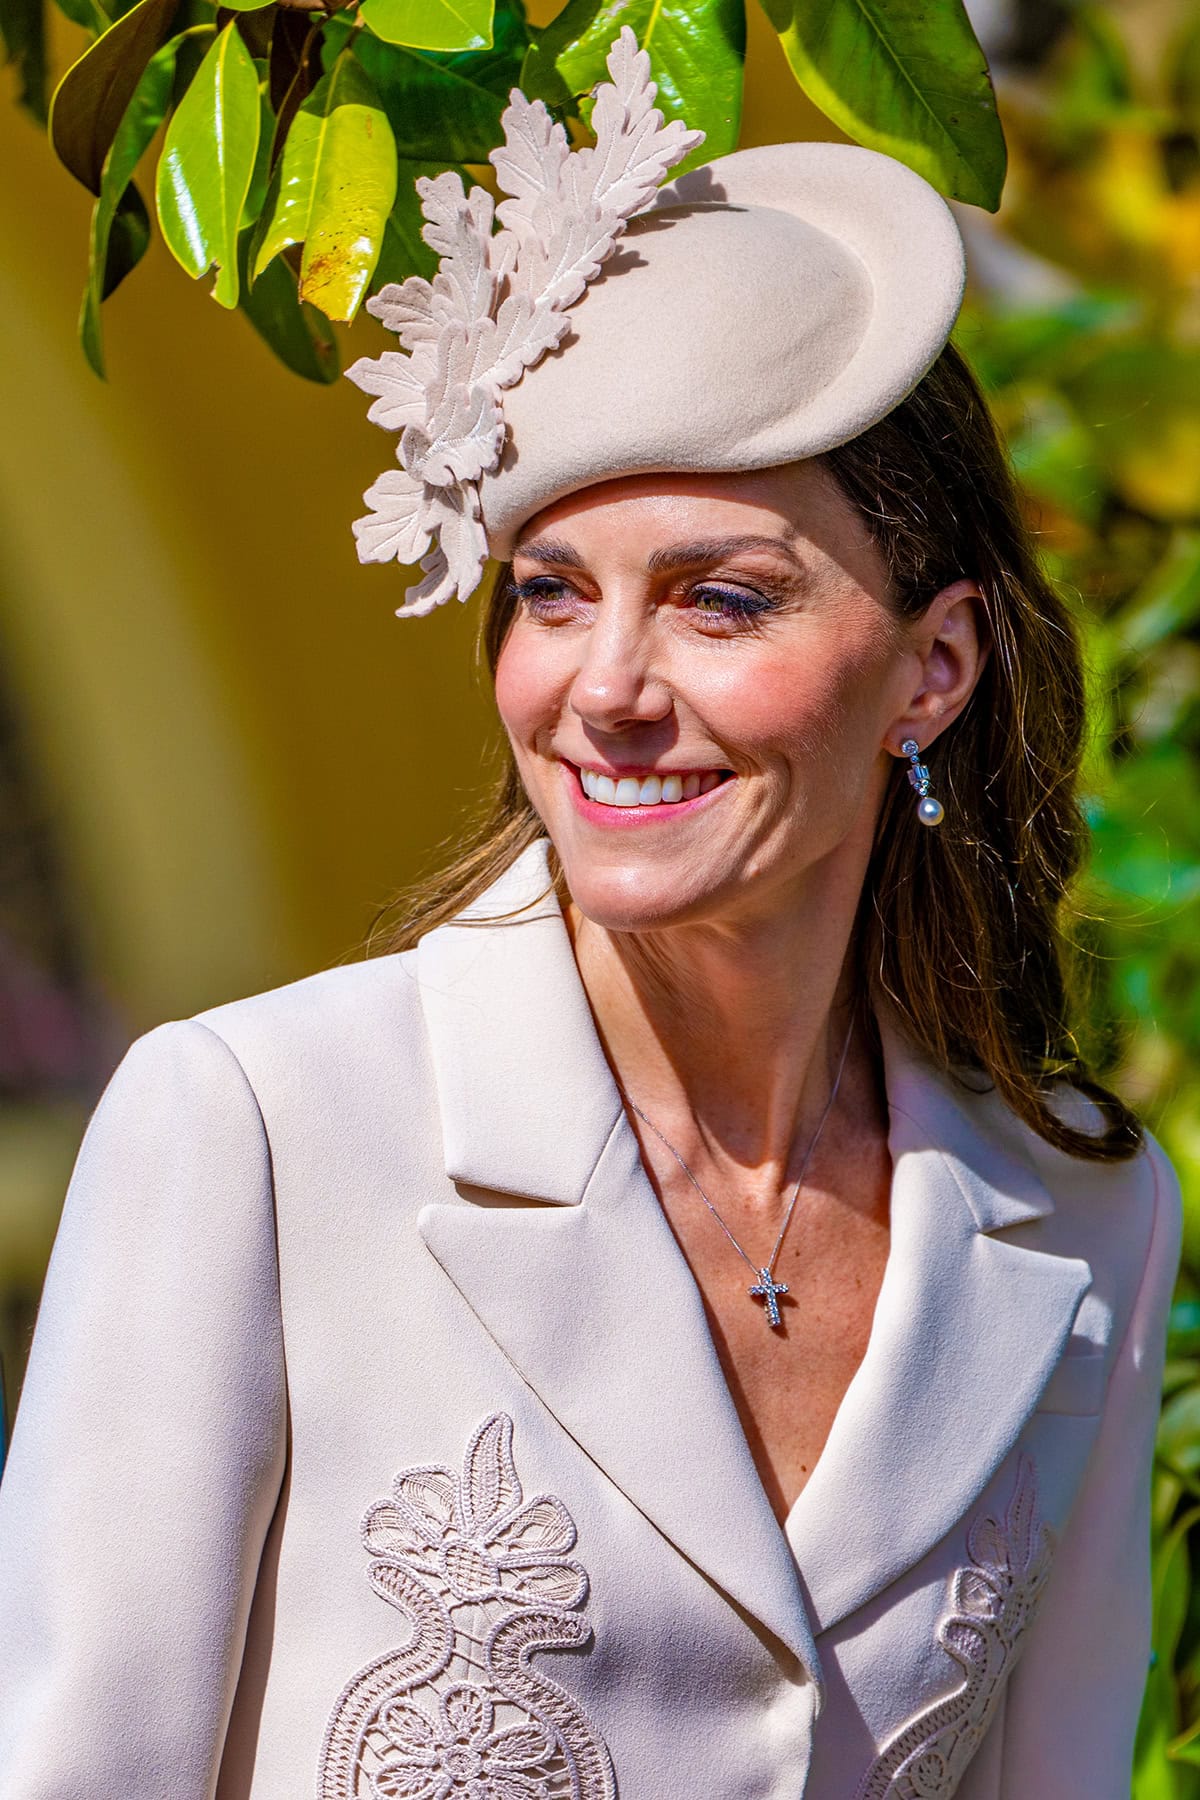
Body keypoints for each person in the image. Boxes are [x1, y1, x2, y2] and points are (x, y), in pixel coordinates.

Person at [0, 30, 1181, 1800]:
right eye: (552, 593)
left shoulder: (1087, 1205)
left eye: (722, 600)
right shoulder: (253, 1127)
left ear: (932, 667)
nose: (605, 688)